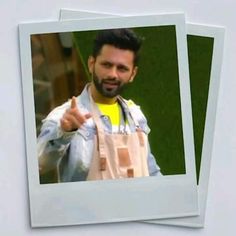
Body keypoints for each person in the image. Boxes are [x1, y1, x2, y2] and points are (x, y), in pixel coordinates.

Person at [38, 28, 161, 183]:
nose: (113, 74)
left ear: (133, 74)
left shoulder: (136, 116)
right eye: (107, 65)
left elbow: (152, 172)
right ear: (91, 64)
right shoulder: (64, 115)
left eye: (122, 68)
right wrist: (63, 133)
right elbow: (39, 164)